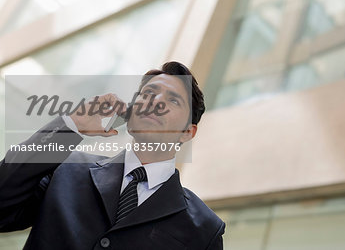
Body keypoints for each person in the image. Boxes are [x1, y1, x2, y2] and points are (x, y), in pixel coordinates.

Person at [0, 61, 225, 249]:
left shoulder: (205, 229)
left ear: (187, 132)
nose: (155, 102)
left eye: (173, 100)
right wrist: (71, 126)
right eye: (148, 93)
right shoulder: (65, 167)